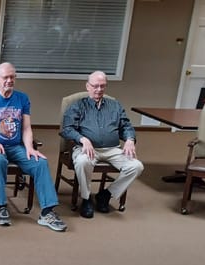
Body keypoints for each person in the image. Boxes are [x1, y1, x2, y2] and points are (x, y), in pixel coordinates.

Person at [0, 62, 67, 231]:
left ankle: (47, 212)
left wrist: (30, 147)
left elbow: (26, 128)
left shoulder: (22, 98)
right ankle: (1, 207)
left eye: (12, 77)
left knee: (40, 162)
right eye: (5, 77)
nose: (9, 80)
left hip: (16, 147)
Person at [61, 71, 144, 218]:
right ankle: (86, 199)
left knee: (136, 166)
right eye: (95, 86)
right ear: (88, 86)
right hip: (86, 148)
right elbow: (67, 129)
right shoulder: (77, 106)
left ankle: (105, 195)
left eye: (102, 86)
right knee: (82, 162)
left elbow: (126, 126)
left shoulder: (115, 105)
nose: (99, 90)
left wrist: (130, 139)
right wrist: (82, 139)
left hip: (112, 149)